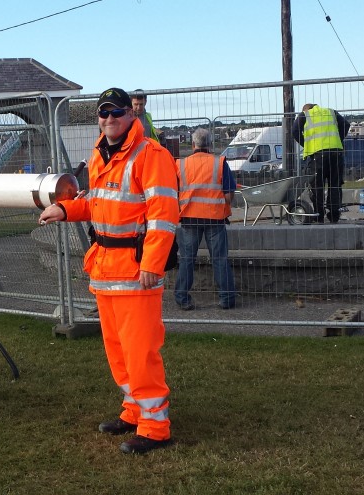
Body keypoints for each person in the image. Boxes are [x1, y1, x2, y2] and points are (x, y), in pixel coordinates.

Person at [38, 87, 178, 455]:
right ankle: (134, 411)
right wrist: (65, 210)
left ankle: (155, 426)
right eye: (104, 113)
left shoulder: (152, 156)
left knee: (140, 351)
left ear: (131, 114)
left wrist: (152, 264)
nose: (110, 118)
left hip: (135, 274)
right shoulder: (100, 155)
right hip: (105, 273)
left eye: (117, 112)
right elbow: (97, 204)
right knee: (118, 352)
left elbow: (164, 216)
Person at [173, 128, 237, 310]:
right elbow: (229, 194)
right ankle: (227, 299)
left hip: (189, 218)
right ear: (210, 145)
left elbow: (174, 191)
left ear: (193, 145)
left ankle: (182, 298)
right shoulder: (220, 163)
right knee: (220, 259)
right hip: (214, 218)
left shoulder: (180, 165)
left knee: (187, 259)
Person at [292, 103, 351, 223]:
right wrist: (338, 139)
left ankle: (319, 215)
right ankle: (334, 214)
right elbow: (346, 124)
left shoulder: (305, 115)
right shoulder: (331, 112)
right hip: (336, 153)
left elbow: (294, 131)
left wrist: (307, 144)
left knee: (317, 186)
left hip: (318, 155)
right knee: (335, 184)